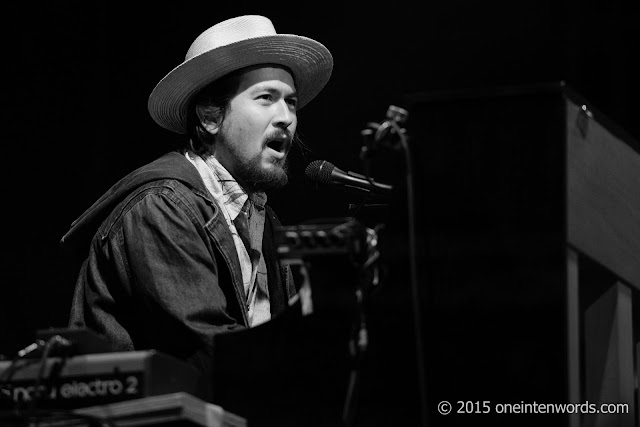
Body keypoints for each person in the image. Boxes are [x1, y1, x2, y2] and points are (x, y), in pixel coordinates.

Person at [60, 15, 333, 376]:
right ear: (209, 116)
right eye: (266, 98)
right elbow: (209, 350)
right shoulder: (163, 206)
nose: (286, 117)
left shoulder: (262, 220)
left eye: (292, 102)